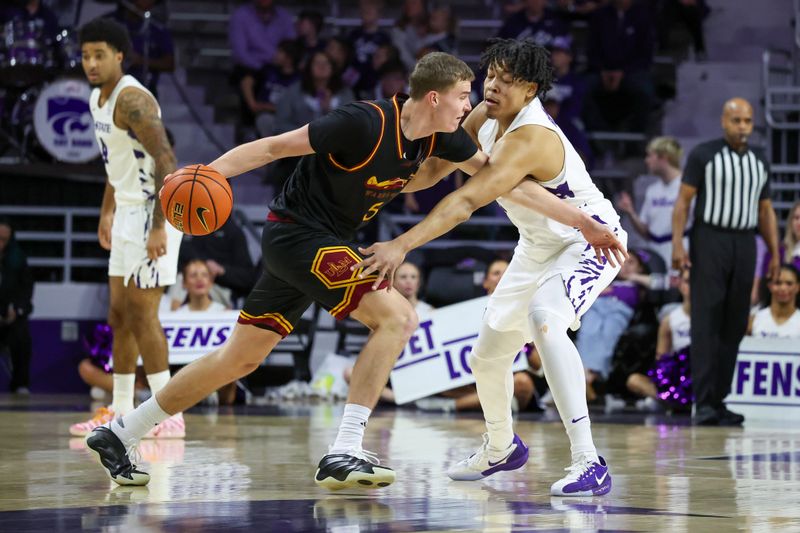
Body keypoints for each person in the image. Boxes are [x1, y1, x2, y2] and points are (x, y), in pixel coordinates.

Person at [85, 50, 618, 490]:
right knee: (397, 319)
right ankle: (345, 449)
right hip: (296, 234)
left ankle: (123, 432)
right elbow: (275, 146)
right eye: (464, 95)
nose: (471, 104)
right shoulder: (361, 123)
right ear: (435, 98)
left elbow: (507, 183)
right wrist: (208, 173)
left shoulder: (442, 137)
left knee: (236, 360)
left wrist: (581, 219)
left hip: (316, 245)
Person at [354, 39, 628, 496]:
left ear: (531, 90)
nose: (494, 86)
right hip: (537, 244)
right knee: (487, 355)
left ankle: (589, 460)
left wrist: (401, 244)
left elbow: (464, 201)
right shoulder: (483, 115)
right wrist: (372, 176)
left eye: (508, 80)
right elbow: (433, 172)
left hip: (588, 242)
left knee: (546, 318)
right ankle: (501, 446)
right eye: (492, 75)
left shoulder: (531, 136)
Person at [70, 18, 184, 439]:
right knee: (118, 315)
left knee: (142, 313)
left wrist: (159, 225)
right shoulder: (96, 99)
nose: (91, 63)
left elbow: (166, 160)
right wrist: (107, 211)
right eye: (85, 56)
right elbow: (115, 162)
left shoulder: (133, 98)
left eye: (99, 54)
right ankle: (119, 410)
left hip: (154, 213)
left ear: (119, 55)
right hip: (126, 214)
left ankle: (167, 413)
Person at [672, 97, 780, 426]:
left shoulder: (760, 159)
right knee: (706, 320)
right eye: (737, 121)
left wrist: (775, 252)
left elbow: (765, 210)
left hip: (746, 241)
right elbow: (683, 201)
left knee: (735, 322)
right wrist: (678, 243)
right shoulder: (704, 154)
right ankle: (703, 402)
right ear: (724, 121)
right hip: (710, 238)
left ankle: (720, 400)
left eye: (748, 121)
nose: (743, 127)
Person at [414, 257, 538, 413]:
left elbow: (539, 365)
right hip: (473, 380)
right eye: (496, 273)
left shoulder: (526, 310)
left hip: (507, 379)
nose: (501, 277)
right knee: (442, 382)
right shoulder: (467, 313)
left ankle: (452, 406)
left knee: (522, 383)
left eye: (507, 272)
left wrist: (523, 346)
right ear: (485, 282)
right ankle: (487, 404)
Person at [617, 137, 688, 267]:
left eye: (650, 156)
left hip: (683, 250)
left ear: (664, 157)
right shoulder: (653, 190)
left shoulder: (688, 187)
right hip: (655, 252)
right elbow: (646, 232)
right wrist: (631, 212)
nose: (646, 161)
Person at [626, 267, 692, 404]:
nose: (691, 287)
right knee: (634, 380)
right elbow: (661, 358)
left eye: (695, 282)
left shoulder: (711, 318)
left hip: (700, 376)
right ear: (679, 284)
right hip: (678, 377)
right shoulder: (670, 320)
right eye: (687, 281)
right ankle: (672, 399)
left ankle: (673, 402)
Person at [110, 0, 175, 97]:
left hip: (144, 89)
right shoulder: (111, 23)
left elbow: (169, 64)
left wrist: (140, 60)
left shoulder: (157, 29)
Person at [0, 218, 33, 394]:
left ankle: (20, 384)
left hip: (11, 316)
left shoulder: (18, 259)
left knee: (22, 336)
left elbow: (27, 291)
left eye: (4, 239)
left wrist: (17, 310)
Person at [229, 0, 295, 73]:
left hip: (279, 67)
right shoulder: (240, 15)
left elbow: (291, 45)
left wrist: (282, 61)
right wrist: (262, 68)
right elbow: (240, 53)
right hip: (250, 68)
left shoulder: (284, 16)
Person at [748, 265, 800, 338]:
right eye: (778, 283)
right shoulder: (753, 320)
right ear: (770, 286)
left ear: (798, 287)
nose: (783, 288)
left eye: (789, 283)